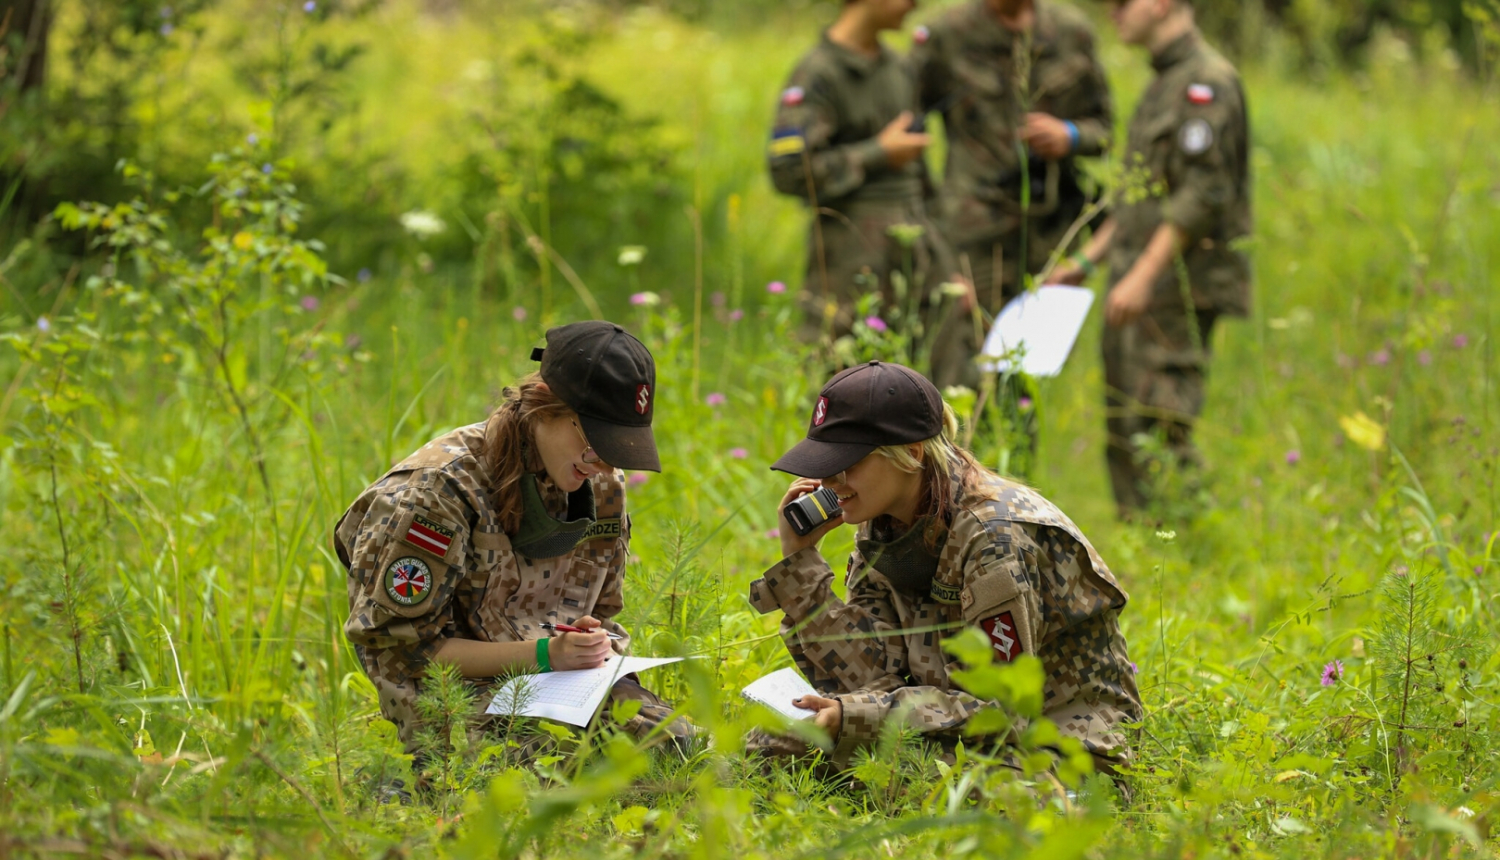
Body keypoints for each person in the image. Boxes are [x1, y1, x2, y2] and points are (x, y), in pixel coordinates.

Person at [746, 360, 1141, 774]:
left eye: (847, 464)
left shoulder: (993, 536)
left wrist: (856, 717)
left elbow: (1001, 710)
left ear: (911, 454)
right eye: (824, 465)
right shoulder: (883, 523)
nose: (831, 482)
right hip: (960, 730)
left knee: (894, 772)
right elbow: (869, 676)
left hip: (1056, 748)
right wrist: (800, 562)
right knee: (779, 740)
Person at [337, 321, 688, 767]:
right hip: (451, 691)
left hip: (562, 684)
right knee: (548, 775)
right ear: (545, 406)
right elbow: (407, 651)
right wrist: (544, 654)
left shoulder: (601, 485)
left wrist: (588, 641)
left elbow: (601, 610)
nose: (602, 464)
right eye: (594, 442)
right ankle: (407, 785)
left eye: (617, 448)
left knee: (676, 751)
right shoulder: (436, 493)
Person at [1053, 0, 1251, 518]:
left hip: (1174, 287)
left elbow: (1202, 195)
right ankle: (1144, 543)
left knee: (1162, 424)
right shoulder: (1164, 80)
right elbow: (1139, 197)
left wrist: (1142, 275)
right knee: (1125, 424)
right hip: (1139, 284)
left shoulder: (1206, 83)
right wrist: (1088, 262)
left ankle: (1185, 549)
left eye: (1122, 3)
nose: (1112, 13)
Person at [911, 0, 1114, 393]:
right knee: (960, 378)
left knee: (1027, 381)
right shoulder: (946, 34)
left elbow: (1104, 131)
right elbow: (905, 133)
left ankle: (1017, 455)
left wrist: (1069, 135)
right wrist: (927, 217)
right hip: (970, 236)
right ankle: (956, 457)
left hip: (1046, 237)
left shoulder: (1072, 32)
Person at [767, 0, 960, 343]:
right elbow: (789, 171)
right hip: (850, 256)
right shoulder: (818, 74)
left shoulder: (900, 69)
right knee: (839, 370)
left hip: (918, 250)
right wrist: (878, 153)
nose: (915, 4)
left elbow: (920, 179)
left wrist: (950, 264)